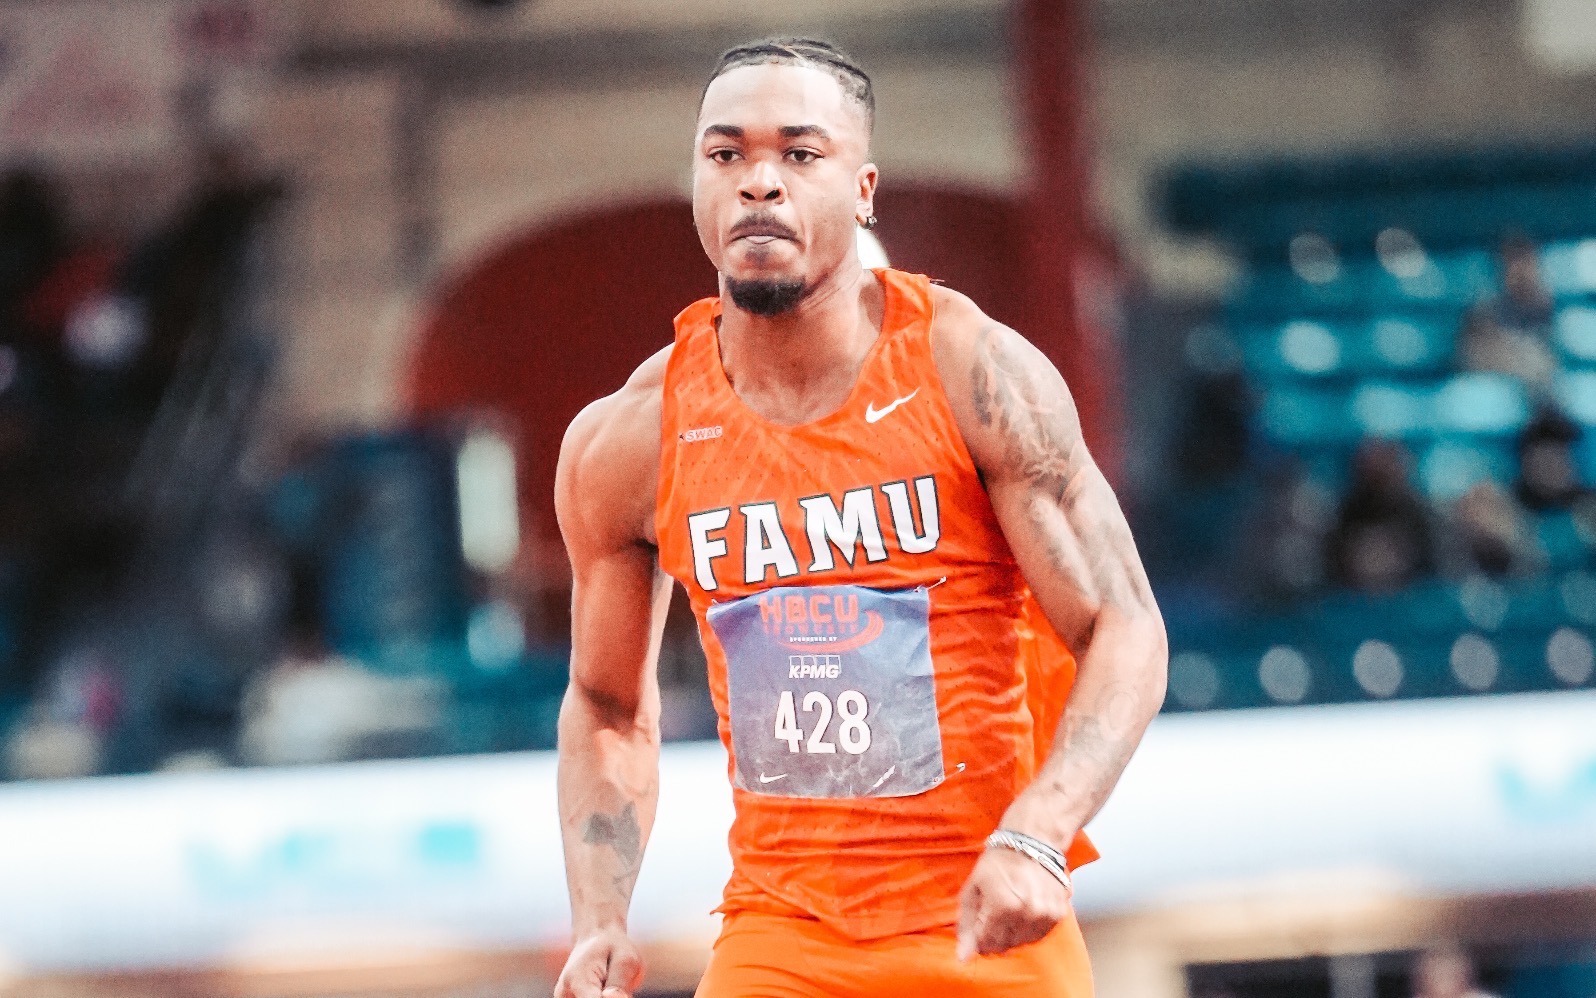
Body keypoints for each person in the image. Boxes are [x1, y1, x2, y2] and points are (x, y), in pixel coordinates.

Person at [553, 38, 1167, 998]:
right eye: (727, 155)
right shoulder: (630, 441)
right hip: (781, 937)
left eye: (800, 154)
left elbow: (1125, 626)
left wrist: (1040, 834)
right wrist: (598, 919)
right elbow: (604, 704)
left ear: (864, 187)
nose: (760, 183)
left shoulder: (973, 374)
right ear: (697, 189)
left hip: (982, 917)